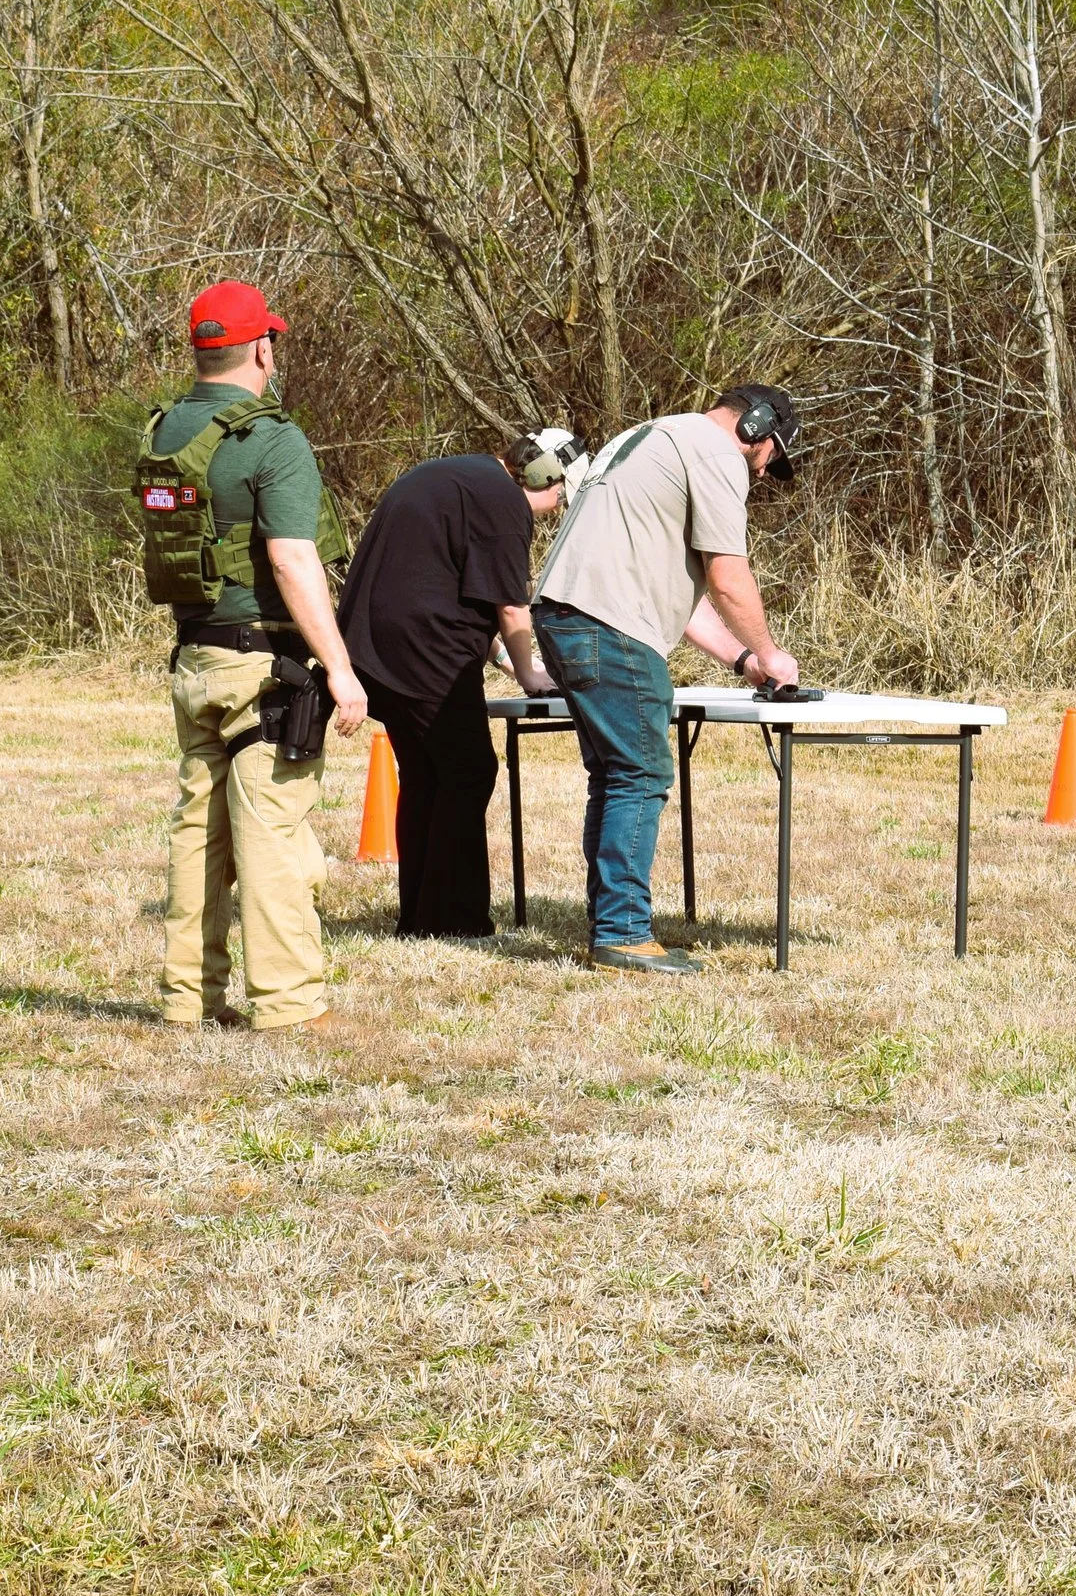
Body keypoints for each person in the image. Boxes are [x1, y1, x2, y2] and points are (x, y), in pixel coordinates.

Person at [135, 280, 367, 1033]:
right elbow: (296, 561)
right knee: (270, 831)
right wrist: (339, 666)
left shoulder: (165, 430)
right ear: (263, 346)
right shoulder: (269, 437)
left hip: (194, 661)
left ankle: (188, 998)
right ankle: (291, 1004)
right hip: (264, 666)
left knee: (199, 830)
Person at [529, 386, 803, 975]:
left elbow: (686, 595)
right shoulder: (716, 454)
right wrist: (771, 652)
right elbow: (728, 577)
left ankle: (610, 925)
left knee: (613, 776)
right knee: (641, 774)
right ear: (755, 428)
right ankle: (623, 933)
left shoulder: (655, 436)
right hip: (609, 622)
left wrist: (741, 660)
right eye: (769, 457)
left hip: (567, 615)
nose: (762, 470)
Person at [336, 429, 584, 938]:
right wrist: (534, 672)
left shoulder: (459, 477)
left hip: (376, 645)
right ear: (541, 473)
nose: (558, 503)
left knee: (428, 776)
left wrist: (507, 664)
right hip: (424, 651)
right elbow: (511, 604)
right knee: (469, 770)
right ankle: (454, 919)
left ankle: (421, 918)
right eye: (560, 491)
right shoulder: (502, 502)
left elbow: (450, 585)